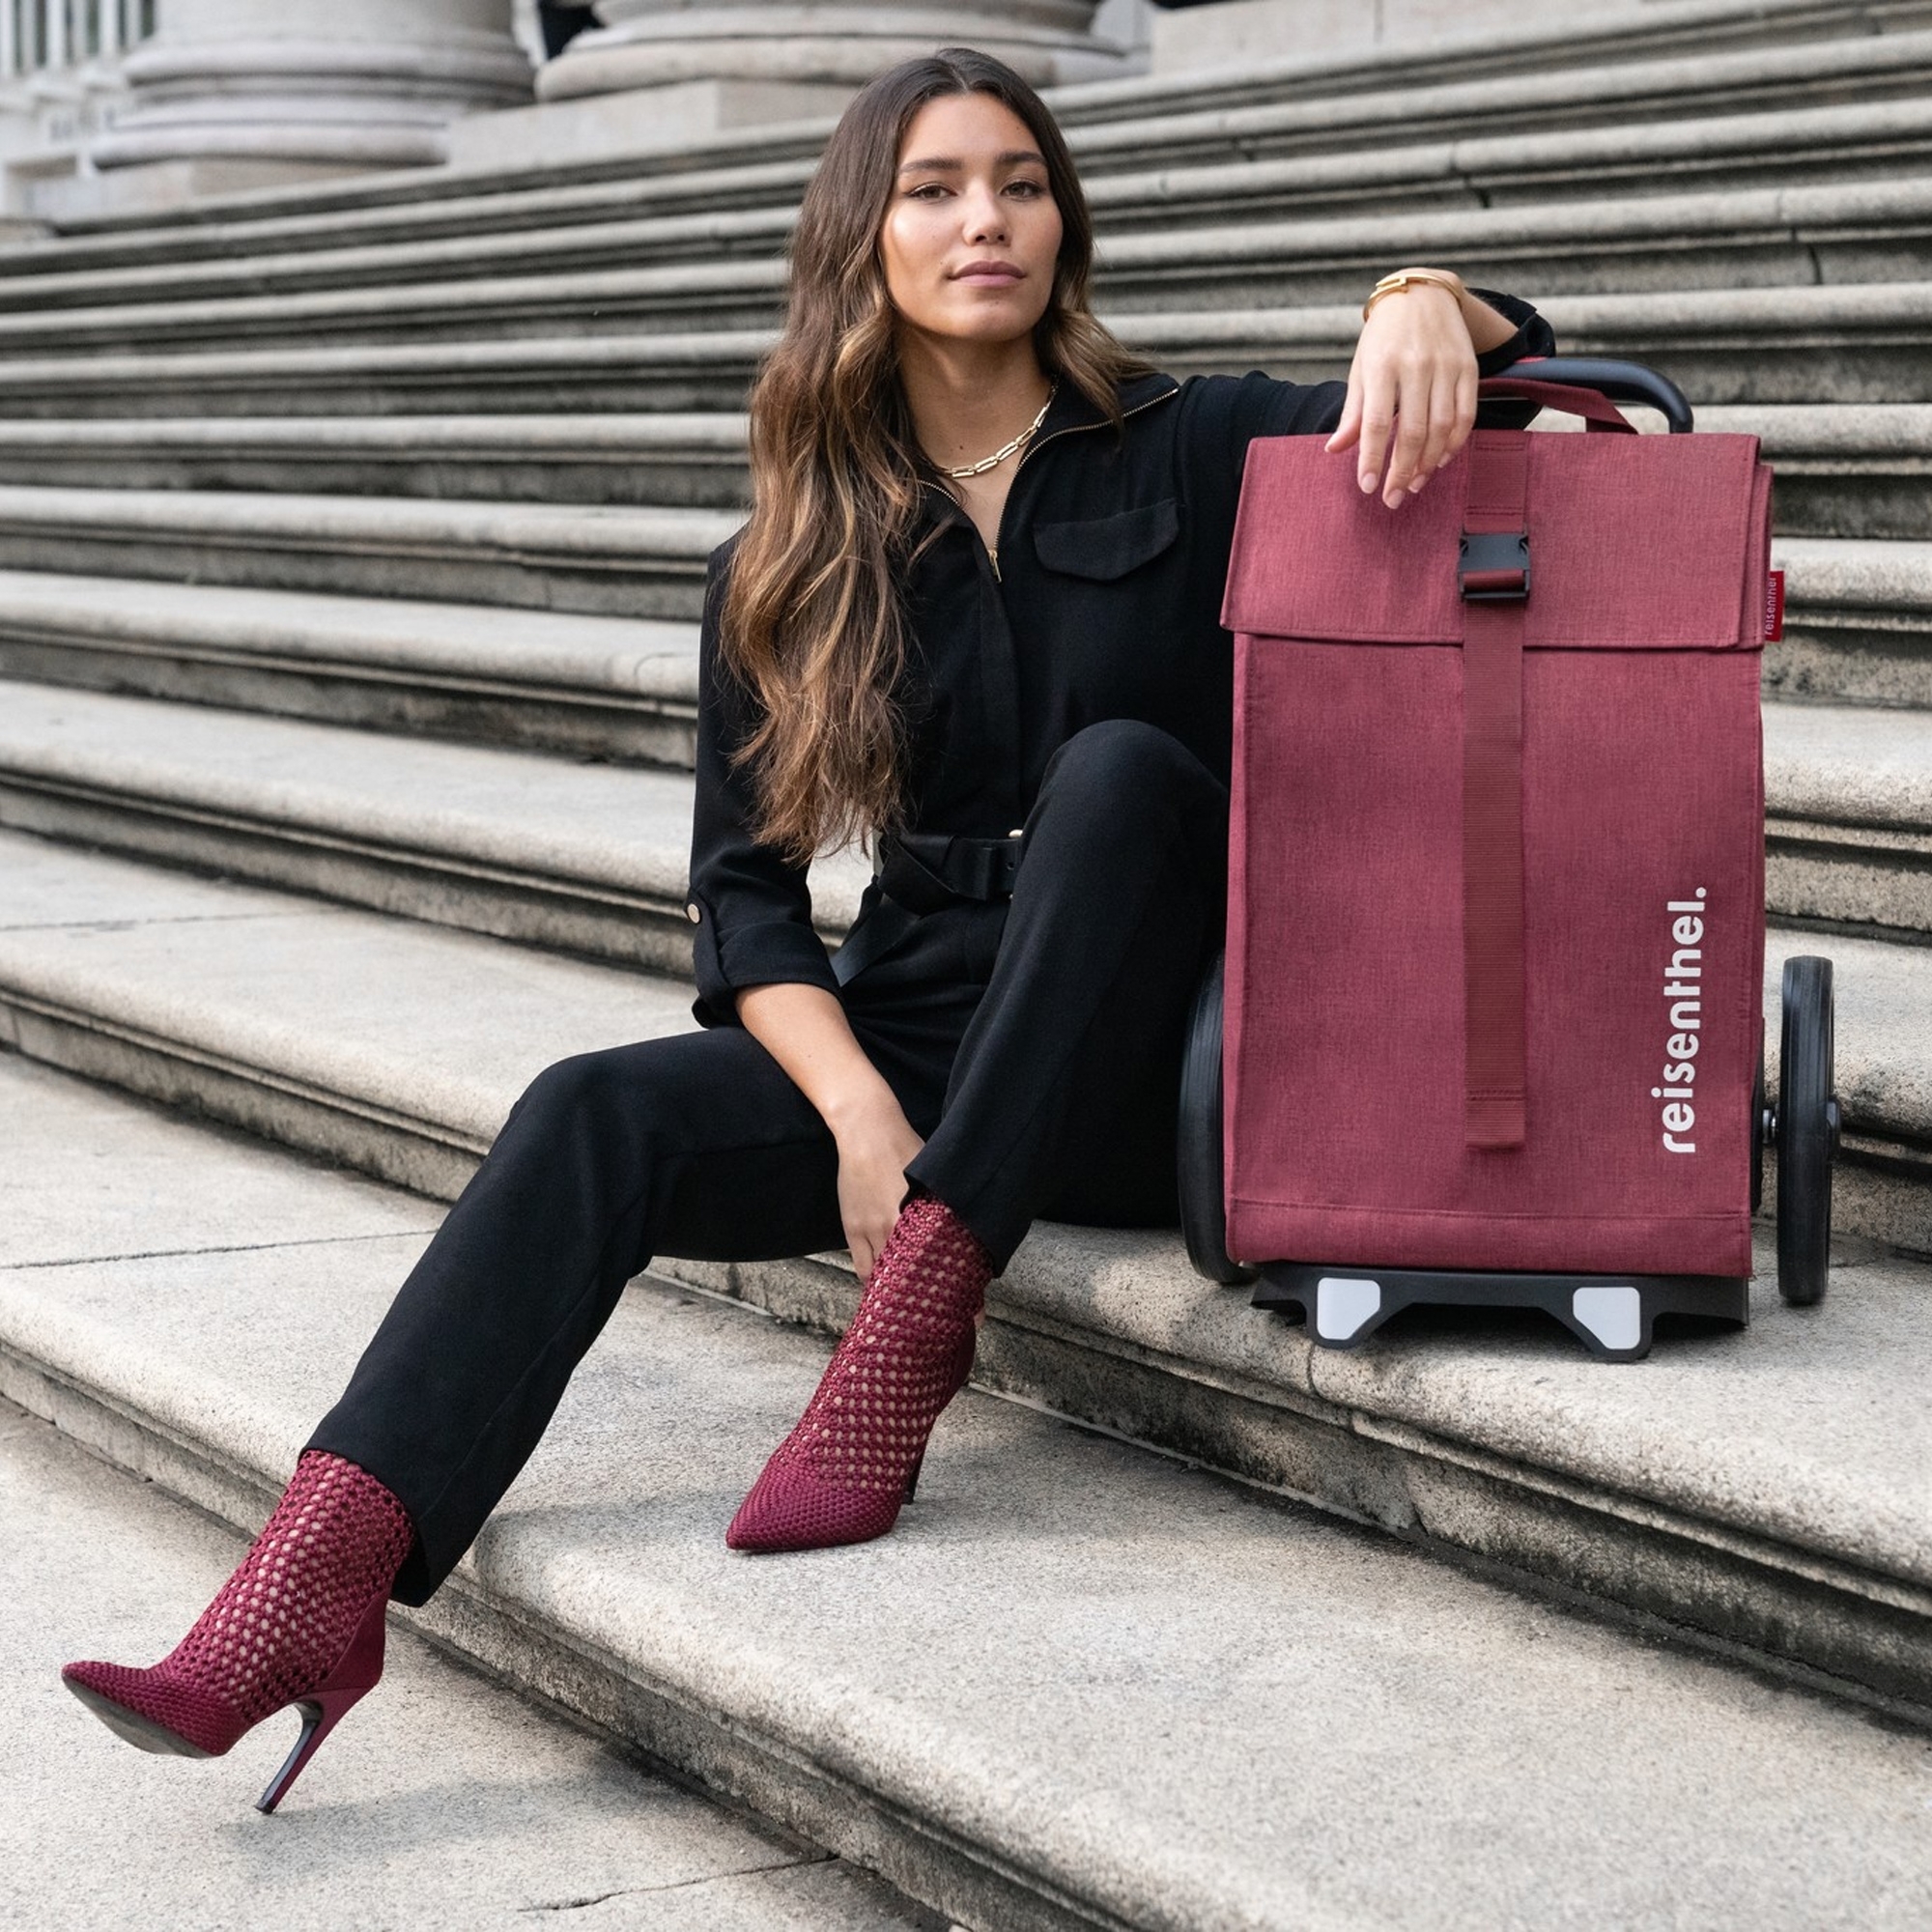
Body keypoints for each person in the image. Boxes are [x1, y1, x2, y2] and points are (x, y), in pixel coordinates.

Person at [59, 46, 1552, 1811]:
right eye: (933, 187)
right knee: (587, 1110)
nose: (984, 217)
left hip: (1165, 1057)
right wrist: (857, 1113)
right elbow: (745, 901)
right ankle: (307, 1592)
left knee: (1125, 774)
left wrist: (1423, 299)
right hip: (927, 1048)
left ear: (1063, 220)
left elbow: (1520, 385)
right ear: (866, 235)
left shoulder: (1198, 436)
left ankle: (909, 1336)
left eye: (1019, 179)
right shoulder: (794, 548)